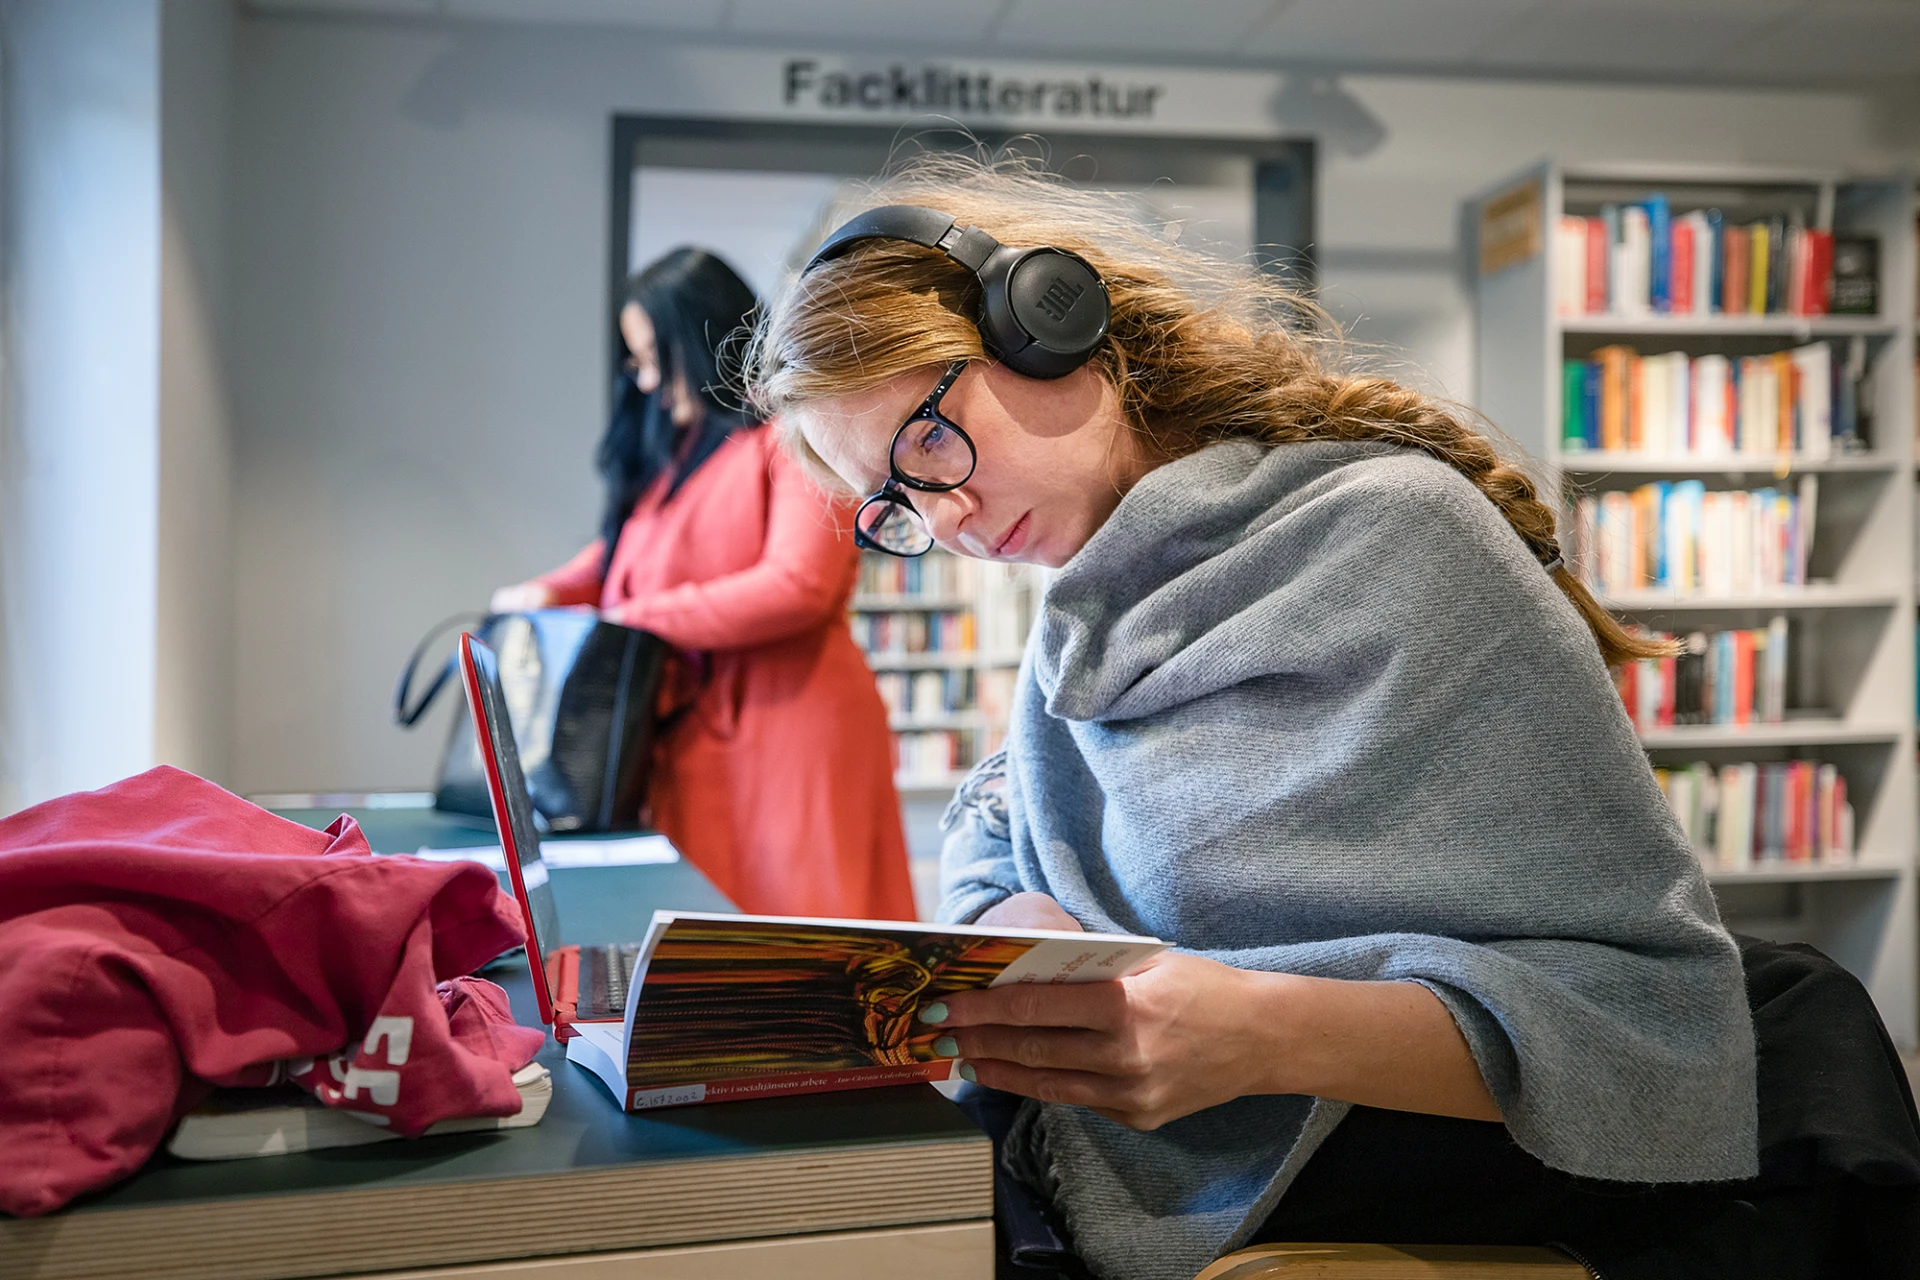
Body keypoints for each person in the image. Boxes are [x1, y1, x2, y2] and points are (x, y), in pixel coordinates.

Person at [744, 160, 1918, 1280]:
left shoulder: (1404, 539)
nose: (945, 514)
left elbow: (1644, 1016)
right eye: (894, 500)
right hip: (1110, 1138)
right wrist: (1017, 921)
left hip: (1398, 1162)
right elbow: (999, 809)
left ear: (1046, 320)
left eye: (929, 439)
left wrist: (1259, 1032)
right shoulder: (1092, 601)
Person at [492, 247, 914, 921]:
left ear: (700, 338)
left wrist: (631, 618)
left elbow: (799, 584)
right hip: (695, 738)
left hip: (790, 729)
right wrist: (549, 592)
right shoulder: (680, 455)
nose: (647, 381)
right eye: (637, 361)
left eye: (655, 356)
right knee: (710, 926)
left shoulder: (795, 436)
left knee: (801, 926)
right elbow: (622, 556)